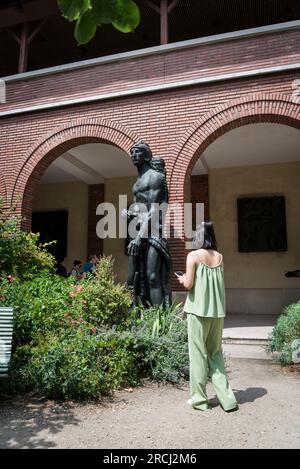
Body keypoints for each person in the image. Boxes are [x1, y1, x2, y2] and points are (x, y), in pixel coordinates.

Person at [177, 221, 238, 412]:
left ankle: (199, 400)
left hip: (198, 312)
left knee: (198, 355)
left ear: (198, 236)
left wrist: (181, 279)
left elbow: (188, 284)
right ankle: (228, 401)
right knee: (215, 354)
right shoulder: (219, 257)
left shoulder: (193, 255)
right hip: (217, 313)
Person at [121, 141, 172, 307]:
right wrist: (129, 213)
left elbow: (154, 210)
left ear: (147, 155)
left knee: (152, 277)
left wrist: (139, 238)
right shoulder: (136, 183)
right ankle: (134, 317)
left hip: (153, 234)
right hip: (136, 232)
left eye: (137, 152)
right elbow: (140, 208)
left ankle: (159, 321)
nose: (133, 155)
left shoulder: (155, 178)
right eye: (132, 152)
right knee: (132, 278)